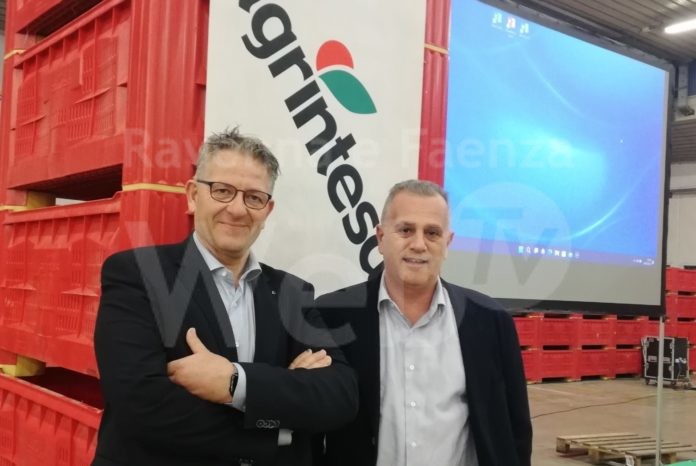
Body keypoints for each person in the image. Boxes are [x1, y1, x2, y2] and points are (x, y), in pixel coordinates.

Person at [92, 128, 358, 466]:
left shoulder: (293, 293)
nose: (237, 209)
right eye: (222, 191)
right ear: (193, 195)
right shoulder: (138, 274)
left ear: (267, 210)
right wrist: (280, 428)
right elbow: (141, 404)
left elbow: (340, 395)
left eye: (253, 197)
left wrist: (235, 383)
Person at [315, 179, 532, 466]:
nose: (419, 244)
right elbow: (314, 423)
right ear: (381, 238)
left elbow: (516, 431)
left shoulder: (492, 322)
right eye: (406, 230)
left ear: (447, 243)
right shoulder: (332, 316)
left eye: (432, 233)